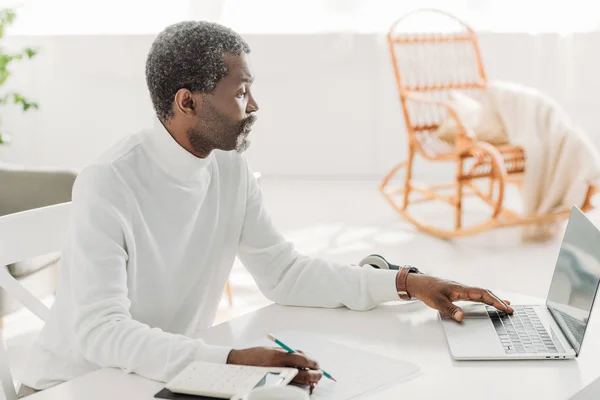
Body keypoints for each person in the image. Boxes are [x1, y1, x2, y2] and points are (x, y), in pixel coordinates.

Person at [21, 21, 513, 393]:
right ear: (187, 102)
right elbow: (101, 332)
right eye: (239, 93)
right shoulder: (109, 182)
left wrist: (406, 282)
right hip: (76, 387)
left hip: (163, 377)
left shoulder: (228, 168)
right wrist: (230, 360)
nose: (253, 105)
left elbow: (285, 273)